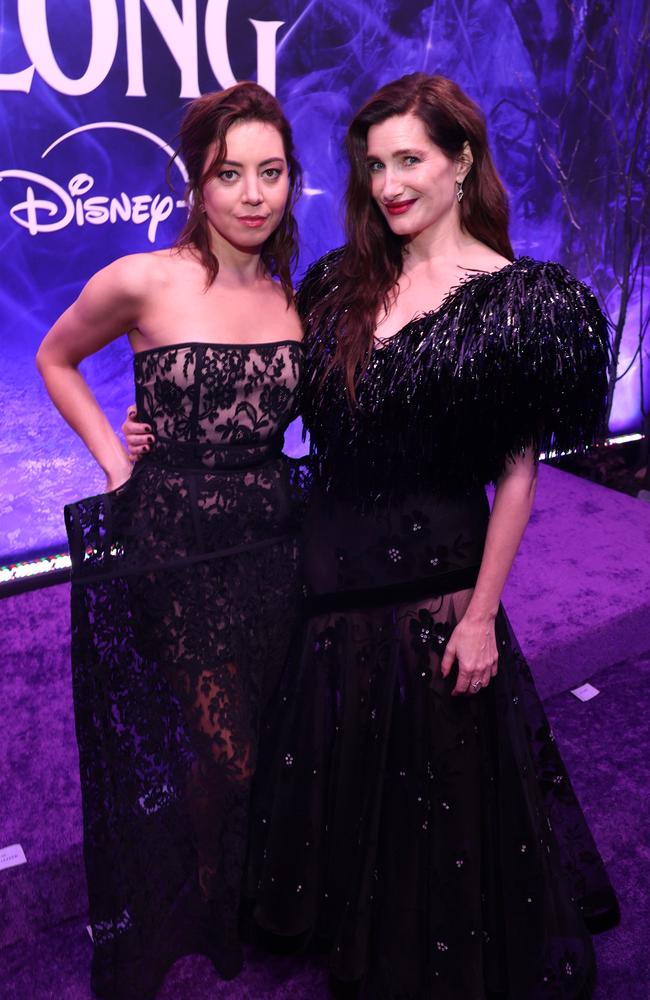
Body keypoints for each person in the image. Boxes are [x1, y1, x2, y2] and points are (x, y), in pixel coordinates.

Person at [123, 74, 620, 998]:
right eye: (376, 163)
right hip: (326, 588)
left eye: (411, 159)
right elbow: (253, 381)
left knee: (440, 819)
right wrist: (155, 429)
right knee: (343, 790)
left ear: (461, 160)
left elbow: (516, 477)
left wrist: (482, 615)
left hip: (437, 589)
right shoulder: (339, 285)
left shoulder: (521, 301)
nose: (390, 182)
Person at [36, 82, 305, 1000]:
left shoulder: (292, 296)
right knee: (221, 750)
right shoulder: (142, 277)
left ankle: (252, 884)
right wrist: (118, 461)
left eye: (270, 173)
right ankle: (201, 887)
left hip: (274, 546)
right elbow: (54, 358)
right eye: (230, 174)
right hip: (178, 549)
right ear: (196, 181)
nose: (252, 194)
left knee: (266, 739)